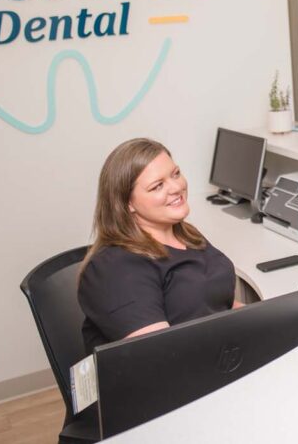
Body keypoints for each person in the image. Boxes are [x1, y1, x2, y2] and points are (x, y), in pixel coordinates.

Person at [78, 138, 239, 353]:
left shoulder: (187, 234)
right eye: (157, 186)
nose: (177, 187)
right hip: (175, 375)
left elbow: (219, 302)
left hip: (215, 358)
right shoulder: (115, 268)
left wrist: (271, 318)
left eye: (175, 174)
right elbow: (159, 355)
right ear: (128, 204)